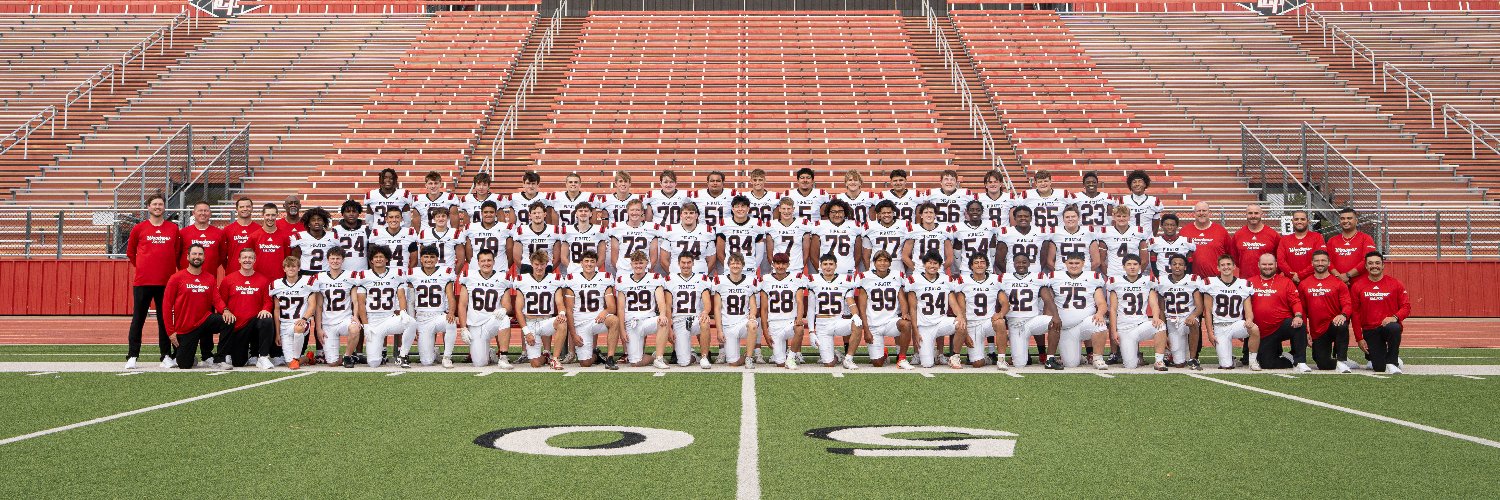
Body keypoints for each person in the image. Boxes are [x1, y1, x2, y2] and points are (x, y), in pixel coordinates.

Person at [125, 193, 181, 370]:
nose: (158, 207)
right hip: (143, 282)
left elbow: (177, 252)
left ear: (164, 208)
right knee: (138, 319)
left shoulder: (173, 229)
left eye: (160, 204)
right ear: (148, 207)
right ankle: (133, 356)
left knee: (164, 320)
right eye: (154, 204)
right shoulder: (139, 228)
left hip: (166, 282)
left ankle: (165, 355)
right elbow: (131, 252)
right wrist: (143, 267)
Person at [163, 244, 234, 369]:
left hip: (204, 321)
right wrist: (170, 332)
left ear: (204, 257)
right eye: (194, 254)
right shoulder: (176, 278)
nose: (197, 257)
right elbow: (167, 306)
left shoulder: (209, 278)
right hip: (185, 327)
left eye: (200, 254)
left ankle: (220, 358)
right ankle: (189, 355)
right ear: (188, 257)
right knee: (185, 365)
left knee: (228, 320)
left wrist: (226, 310)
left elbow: (216, 299)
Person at [1041, 252, 1108, 370]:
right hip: (1065, 327)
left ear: (1083, 263)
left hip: (1085, 322)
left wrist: (1099, 313)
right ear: (1065, 263)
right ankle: (1077, 355)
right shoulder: (1055, 277)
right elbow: (1049, 301)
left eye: (1077, 263)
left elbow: (1102, 303)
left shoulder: (1093, 278)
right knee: (1070, 364)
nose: (1074, 265)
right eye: (1070, 263)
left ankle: (1098, 358)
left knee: (1100, 324)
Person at [1349, 252, 1411, 374]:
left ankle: (1392, 362)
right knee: (1379, 367)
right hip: (1370, 330)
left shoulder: (1395, 284)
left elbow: (1406, 307)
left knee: (1394, 327)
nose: (1374, 266)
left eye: (1377, 263)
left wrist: (1395, 317)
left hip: (1387, 326)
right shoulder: (1357, 286)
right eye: (1370, 263)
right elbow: (1355, 313)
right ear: (1366, 267)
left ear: (1383, 265)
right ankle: (1383, 357)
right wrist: (1359, 338)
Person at [354, 246, 414, 369]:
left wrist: (403, 312)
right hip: (373, 321)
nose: (378, 259)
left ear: (387, 259)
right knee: (373, 363)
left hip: (389, 318)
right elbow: (361, 304)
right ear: (371, 260)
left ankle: (402, 356)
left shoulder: (395, 274)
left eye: (381, 257)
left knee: (411, 322)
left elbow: (401, 296)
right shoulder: (364, 275)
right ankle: (379, 352)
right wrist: (366, 325)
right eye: (375, 257)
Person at [1199, 255, 1261, 370]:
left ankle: (1253, 361)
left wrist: (1249, 320)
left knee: (1254, 328)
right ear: (1218, 268)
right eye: (1222, 265)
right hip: (1219, 327)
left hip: (1236, 324)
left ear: (1234, 267)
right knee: (1226, 365)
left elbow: (1248, 310)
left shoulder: (1244, 285)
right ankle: (1230, 359)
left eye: (1228, 264)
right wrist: (1210, 333)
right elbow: (1207, 311)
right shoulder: (1210, 283)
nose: (1225, 267)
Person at [1249, 253, 1308, 372]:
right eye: (1264, 264)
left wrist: (1298, 315)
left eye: (1270, 264)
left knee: (1299, 325)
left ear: (1275, 265)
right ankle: (1289, 358)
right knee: (1267, 363)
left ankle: (1300, 361)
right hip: (1262, 332)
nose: (1267, 267)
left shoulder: (1286, 282)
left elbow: (1295, 301)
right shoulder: (1249, 282)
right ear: (1258, 265)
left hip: (1281, 325)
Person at [560, 250, 618, 369]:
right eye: (586, 261)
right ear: (581, 263)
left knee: (614, 320)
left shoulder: (605, 278)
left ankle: (610, 358)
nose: (589, 264)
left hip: (598, 320)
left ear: (596, 263)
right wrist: (573, 334)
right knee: (585, 363)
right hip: (581, 323)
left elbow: (612, 307)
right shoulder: (572, 279)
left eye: (592, 261)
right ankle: (595, 355)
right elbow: (569, 310)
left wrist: (605, 312)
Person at [1108, 255, 1168, 370]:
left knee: (1160, 325)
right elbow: (1113, 309)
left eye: (1135, 264)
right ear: (1123, 267)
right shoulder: (1116, 282)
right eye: (1129, 264)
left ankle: (1159, 361)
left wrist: (1155, 316)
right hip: (1124, 328)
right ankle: (1136, 357)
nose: (1132, 267)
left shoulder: (1147, 281)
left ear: (1140, 266)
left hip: (1141, 325)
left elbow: (1154, 304)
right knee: (1130, 365)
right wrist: (1114, 331)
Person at [906, 252, 965, 368]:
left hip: (941, 323)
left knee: (961, 324)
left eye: (935, 263)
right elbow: (912, 309)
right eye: (930, 263)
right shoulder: (914, 280)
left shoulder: (946, 279)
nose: (932, 266)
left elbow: (952, 301)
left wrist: (960, 315)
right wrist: (915, 330)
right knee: (927, 364)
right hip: (924, 326)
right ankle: (930, 352)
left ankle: (954, 357)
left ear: (939, 266)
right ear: (924, 264)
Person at [456, 248, 513, 368]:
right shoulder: (469, 276)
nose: (486, 263)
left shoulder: (503, 278)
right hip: (475, 324)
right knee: (479, 363)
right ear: (478, 263)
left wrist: (504, 309)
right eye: (483, 261)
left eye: (489, 260)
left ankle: (503, 357)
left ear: (493, 262)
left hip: (492, 321)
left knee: (505, 318)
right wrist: (463, 328)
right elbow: (462, 304)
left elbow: (507, 304)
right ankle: (489, 353)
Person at [219, 248, 274, 368]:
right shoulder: (228, 280)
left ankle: (262, 356)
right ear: (239, 260)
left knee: (267, 320)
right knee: (238, 363)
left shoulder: (263, 280)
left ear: (254, 260)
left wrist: (265, 309)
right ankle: (247, 353)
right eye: (244, 257)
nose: (247, 260)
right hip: (237, 326)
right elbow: (221, 301)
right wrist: (225, 310)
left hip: (254, 323)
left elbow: (268, 301)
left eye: (250, 258)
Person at [857, 251, 913, 368]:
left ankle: (902, 358)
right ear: (874, 263)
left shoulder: (897, 276)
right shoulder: (865, 277)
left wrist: (904, 313)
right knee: (877, 363)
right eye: (879, 260)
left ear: (890, 263)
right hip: (874, 325)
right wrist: (866, 329)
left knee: (906, 324)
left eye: (885, 261)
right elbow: (862, 308)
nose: (882, 263)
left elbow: (902, 298)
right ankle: (884, 353)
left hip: (890, 322)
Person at [1300, 251, 1353, 372]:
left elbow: (1348, 304)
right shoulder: (1304, 284)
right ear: (1312, 263)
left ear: (1329, 263)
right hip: (1318, 331)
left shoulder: (1339, 284)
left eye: (1323, 260)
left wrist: (1343, 315)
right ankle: (1335, 361)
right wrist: (1306, 332)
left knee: (1341, 325)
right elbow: (1301, 310)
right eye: (1317, 260)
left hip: (1333, 325)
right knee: (1323, 364)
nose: (1320, 263)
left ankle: (1341, 361)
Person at [614, 251, 670, 367]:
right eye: (635, 263)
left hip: (648, 320)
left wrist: (663, 314)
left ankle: (659, 358)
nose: (638, 266)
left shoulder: (654, 278)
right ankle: (653, 357)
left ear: (647, 264)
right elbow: (620, 309)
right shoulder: (623, 280)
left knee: (663, 322)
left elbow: (661, 301)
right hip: (632, 323)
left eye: (641, 263)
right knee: (635, 363)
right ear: (631, 264)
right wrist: (622, 330)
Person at [999, 253, 1054, 368]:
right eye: (1018, 262)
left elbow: (1048, 299)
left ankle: (1050, 359)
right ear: (1013, 264)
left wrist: (1055, 316)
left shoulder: (1038, 277)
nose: (1021, 265)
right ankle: (1016, 351)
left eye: (1024, 262)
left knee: (1054, 322)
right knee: (1020, 364)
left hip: (1032, 320)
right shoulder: (1004, 278)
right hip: (1015, 323)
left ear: (1029, 263)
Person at [515, 251, 567, 369]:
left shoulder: (554, 279)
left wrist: (562, 314)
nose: (539, 267)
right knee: (535, 363)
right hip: (530, 323)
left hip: (546, 321)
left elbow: (560, 303)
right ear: (532, 264)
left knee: (562, 322)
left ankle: (555, 358)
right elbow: (518, 310)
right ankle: (546, 356)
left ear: (547, 264)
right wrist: (526, 332)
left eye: (542, 264)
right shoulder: (522, 280)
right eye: (536, 264)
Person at [806, 253, 860, 369]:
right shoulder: (813, 280)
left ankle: (848, 359)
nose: (828, 267)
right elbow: (811, 308)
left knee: (857, 324)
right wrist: (811, 331)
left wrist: (855, 315)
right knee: (829, 364)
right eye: (825, 264)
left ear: (836, 266)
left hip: (837, 322)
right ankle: (837, 356)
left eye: (831, 264)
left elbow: (851, 301)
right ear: (820, 266)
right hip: (822, 325)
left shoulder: (845, 280)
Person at [408, 245, 458, 368]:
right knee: (426, 362)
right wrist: (411, 322)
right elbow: (410, 301)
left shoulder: (445, 273)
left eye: (432, 257)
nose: (429, 260)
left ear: (437, 259)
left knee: (451, 322)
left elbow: (450, 296)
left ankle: (447, 357)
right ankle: (433, 352)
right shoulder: (413, 274)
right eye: (426, 257)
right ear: (421, 259)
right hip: (421, 318)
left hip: (438, 315)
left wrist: (451, 312)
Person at [662, 253, 714, 368]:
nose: (686, 265)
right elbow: (668, 305)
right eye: (683, 263)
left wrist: (705, 312)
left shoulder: (701, 279)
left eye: (689, 262)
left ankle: (705, 357)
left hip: (695, 319)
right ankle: (694, 356)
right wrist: (670, 328)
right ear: (678, 263)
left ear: (693, 263)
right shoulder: (671, 280)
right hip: (679, 320)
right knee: (683, 362)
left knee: (705, 321)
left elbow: (707, 303)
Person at [956, 254, 1006, 368]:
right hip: (973, 325)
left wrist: (1000, 314)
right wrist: (966, 334)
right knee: (977, 364)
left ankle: (1001, 359)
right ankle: (986, 358)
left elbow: (1005, 303)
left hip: (989, 322)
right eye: (976, 262)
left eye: (982, 262)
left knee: (1000, 322)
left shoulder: (995, 280)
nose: (979, 265)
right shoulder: (964, 281)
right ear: (971, 266)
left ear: (987, 265)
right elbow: (962, 311)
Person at [760, 253, 809, 369]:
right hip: (774, 325)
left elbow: (800, 301)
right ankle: (784, 357)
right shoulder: (766, 280)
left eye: (783, 263)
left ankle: (791, 357)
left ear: (788, 265)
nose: (780, 266)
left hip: (789, 322)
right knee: (779, 363)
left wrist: (799, 319)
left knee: (799, 328)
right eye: (777, 263)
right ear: (773, 265)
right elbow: (764, 309)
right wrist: (765, 332)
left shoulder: (796, 279)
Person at [315, 247, 362, 367]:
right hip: (328, 323)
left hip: (344, 320)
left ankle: (347, 356)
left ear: (342, 260)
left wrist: (355, 316)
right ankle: (345, 357)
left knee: (355, 328)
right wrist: (318, 328)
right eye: (332, 258)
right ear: (328, 260)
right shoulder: (320, 278)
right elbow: (319, 306)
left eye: (338, 258)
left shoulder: (350, 276)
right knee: (332, 363)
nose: (335, 261)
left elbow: (355, 301)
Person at [269, 256, 317, 369]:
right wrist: (277, 332)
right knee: (288, 363)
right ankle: (307, 358)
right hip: (285, 325)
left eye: (294, 266)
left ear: (299, 268)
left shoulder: (308, 282)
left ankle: (296, 359)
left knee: (298, 328)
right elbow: (276, 310)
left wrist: (304, 319)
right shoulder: (276, 285)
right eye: (288, 266)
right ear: (284, 269)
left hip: (300, 323)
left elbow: (312, 304)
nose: (291, 269)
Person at [714, 253, 761, 367]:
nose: (735, 265)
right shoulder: (721, 281)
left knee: (753, 325)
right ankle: (745, 356)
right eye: (733, 263)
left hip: (742, 323)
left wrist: (753, 315)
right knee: (733, 363)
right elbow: (717, 308)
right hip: (728, 326)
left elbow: (753, 305)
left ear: (743, 265)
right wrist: (719, 330)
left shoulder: (749, 281)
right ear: (728, 265)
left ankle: (749, 358)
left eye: (738, 263)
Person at [1156, 254, 1202, 368]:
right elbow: (1161, 309)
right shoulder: (1162, 281)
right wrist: (1164, 330)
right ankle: (1178, 354)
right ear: (1170, 266)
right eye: (1174, 264)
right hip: (1171, 322)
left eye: (1181, 264)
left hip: (1187, 318)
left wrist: (1193, 316)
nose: (1177, 267)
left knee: (1194, 323)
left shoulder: (1193, 280)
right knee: (1179, 364)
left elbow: (1200, 306)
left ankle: (1193, 358)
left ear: (1185, 267)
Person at [657, 202, 717, 275]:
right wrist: (673, 275)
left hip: (699, 275)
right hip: (676, 274)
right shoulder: (671, 231)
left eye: (691, 213)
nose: (688, 216)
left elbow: (712, 260)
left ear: (696, 215)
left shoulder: (707, 231)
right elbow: (663, 260)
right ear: (681, 215)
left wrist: (704, 275)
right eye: (685, 213)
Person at [1179, 201, 1232, 278]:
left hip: (1216, 280)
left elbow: (1229, 255)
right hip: (1191, 280)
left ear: (1209, 212)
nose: (1201, 213)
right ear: (1194, 213)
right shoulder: (1184, 231)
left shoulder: (1221, 231)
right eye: (1198, 211)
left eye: (1204, 211)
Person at [810, 199, 862, 275]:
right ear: (828, 213)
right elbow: (814, 255)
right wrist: (821, 270)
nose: (837, 215)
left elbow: (858, 254)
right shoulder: (820, 226)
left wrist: (851, 267)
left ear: (845, 213)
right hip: (825, 273)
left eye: (840, 211)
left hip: (847, 272)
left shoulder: (854, 226)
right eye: (833, 212)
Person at [607, 199, 659, 275]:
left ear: (642, 212)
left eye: (637, 210)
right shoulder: (617, 228)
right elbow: (614, 257)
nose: (634, 213)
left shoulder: (651, 228)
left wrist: (645, 269)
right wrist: (620, 268)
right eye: (632, 210)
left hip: (643, 271)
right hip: (623, 271)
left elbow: (653, 258)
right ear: (627, 211)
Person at [1042, 205, 1099, 275]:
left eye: (1073, 216)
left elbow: (1097, 261)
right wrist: (1059, 272)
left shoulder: (1089, 232)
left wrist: (1084, 272)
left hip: (1084, 273)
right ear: (1063, 219)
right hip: (1062, 272)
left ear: (1079, 218)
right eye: (1067, 217)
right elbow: (1049, 261)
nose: (1070, 219)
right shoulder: (1055, 233)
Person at [716, 195, 766, 274]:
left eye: (743, 206)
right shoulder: (724, 224)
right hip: (730, 269)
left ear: (748, 208)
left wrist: (753, 267)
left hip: (749, 268)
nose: (740, 209)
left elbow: (760, 253)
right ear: (732, 209)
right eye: (737, 206)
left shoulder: (756, 224)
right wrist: (728, 266)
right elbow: (719, 252)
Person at [1326, 208, 1378, 284]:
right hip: (1337, 283)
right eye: (1342, 218)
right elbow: (1328, 262)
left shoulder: (1366, 238)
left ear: (1356, 221)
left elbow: (1367, 260)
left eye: (1349, 218)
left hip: (1361, 284)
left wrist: (1348, 275)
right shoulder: (1332, 240)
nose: (1345, 221)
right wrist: (1339, 277)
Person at [1099, 205, 1150, 279]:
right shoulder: (1105, 232)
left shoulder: (1138, 232)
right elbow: (1102, 261)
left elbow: (1145, 260)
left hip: (1133, 275)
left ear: (1129, 217)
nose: (1121, 219)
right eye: (1118, 216)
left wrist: (1136, 273)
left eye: (1124, 216)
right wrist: (1108, 274)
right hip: (1114, 274)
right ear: (1113, 217)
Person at [459, 200, 510, 275]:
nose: (488, 214)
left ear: (496, 213)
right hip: (476, 269)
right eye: (485, 212)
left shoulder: (505, 227)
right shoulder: (471, 227)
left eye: (491, 212)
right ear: (481, 213)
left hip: (499, 268)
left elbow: (509, 251)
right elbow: (468, 253)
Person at [764, 198, 811, 275]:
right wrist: (776, 267)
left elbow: (806, 252)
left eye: (789, 208)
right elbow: (769, 254)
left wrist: (801, 265)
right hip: (778, 268)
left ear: (793, 209)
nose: (786, 211)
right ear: (779, 209)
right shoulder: (772, 225)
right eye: (783, 208)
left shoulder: (802, 224)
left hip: (796, 268)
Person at [1231, 204, 1279, 279]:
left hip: (1268, 281)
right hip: (1245, 281)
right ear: (1246, 214)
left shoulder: (1273, 234)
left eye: (1256, 213)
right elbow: (1234, 258)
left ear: (1261, 214)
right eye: (1250, 213)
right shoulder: (1238, 235)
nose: (1253, 216)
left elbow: (1279, 258)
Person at [179, 201, 226, 276]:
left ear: (210, 213)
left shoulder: (219, 233)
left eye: (206, 211)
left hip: (209, 278)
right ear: (193, 213)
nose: (203, 213)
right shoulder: (183, 233)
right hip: (186, 278)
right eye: (200, 210)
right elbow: (177, 255)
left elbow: (222, 256)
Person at [902, 202, 952, 274]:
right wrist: (916, 269)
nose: (929, 215)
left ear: (935, 215)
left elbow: (950, 258)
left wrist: (939, 269)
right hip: (919, 271)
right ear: (921, 215)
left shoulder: (944, 230)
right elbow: (905, 256)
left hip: (938, 272)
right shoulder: (913, 230)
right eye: (926, 212)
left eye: (931, 212)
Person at [559, 202, 607, 275]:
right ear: (576, 214)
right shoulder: (568, 230)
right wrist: (571, 268)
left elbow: (602, 257)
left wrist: (592, 269)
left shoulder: (599, 230)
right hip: (574, 272)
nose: (583, 213)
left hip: (592, 272)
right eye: (580, 211)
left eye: (586, 211)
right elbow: (563, 257)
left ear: (591, 214)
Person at [953, 200, 999, 276]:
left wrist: (989, 265)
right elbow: (957, 254)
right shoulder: (959, 228)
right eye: (972, 210)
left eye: (978, 210)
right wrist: (960, 268)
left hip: (985, 268)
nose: (975, 212)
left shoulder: (990, 225)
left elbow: (992, 251)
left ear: (982, 212)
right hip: (966, 268)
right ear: (967, 212)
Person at [1277, 210, 1325, 284]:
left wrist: (1300, 275)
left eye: (1302, 219)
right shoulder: (1284, 240)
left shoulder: (1317, 237)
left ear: (1308, 221)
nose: (1299, 221)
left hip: (1312, 281)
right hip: (1291, 281)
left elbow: (1320, 260)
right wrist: (1292, 275)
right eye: (1296, 219)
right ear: (1292, 221)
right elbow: (1281, 261)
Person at [288, 207, 339, 276]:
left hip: (326, 273)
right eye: (313, 220)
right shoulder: (299, 237)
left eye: (319, 219)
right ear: (308, 223)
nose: (316, 222)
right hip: (305, 273)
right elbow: (295, 260)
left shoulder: (333, 237)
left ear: (324, 222)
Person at [511, 201, 559, 273]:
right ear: (530, 216)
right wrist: (525, 269)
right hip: (527, 267)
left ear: (545, 214)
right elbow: (516, 257)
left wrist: (549, 268)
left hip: (546, 267)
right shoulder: (521, 230)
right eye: (534, 213)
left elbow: (557, 257)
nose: (537, 215)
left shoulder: (554, 230)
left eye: (539, 213)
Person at [996, 205, 1045, 275]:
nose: (1023, 218)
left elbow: (1044, 259)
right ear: (1015, 218)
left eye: (1026, 216)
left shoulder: (1040, 233)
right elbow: (999, 260)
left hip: (1034, 274)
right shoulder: (1006, 233)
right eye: (1020, 216)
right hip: (1012, 274)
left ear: (1031, 218)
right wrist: (1010, 273)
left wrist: (1036, 270)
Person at [862, 200, 907, 274]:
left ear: (893, 213)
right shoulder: (870, 227)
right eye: (883, 213)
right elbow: (866, 256)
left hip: (897, 267)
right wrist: (869, 271)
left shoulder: (903, 225)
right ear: (879, 214)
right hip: (876, 267)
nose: (886, 215)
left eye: (889, 212)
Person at [415, 202, 463, 270]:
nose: (441, 219)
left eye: (443, 216)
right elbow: (422, 258)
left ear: (448, 218)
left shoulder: (455, 233)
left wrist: (454, 274)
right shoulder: (425, 233)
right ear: (434, 219)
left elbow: (461, 260)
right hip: (430, 271)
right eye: (438, 216)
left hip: (448, 271)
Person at [369, 206, 418, 271]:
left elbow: (414, 261)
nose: (394, 220)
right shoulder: (377, 233)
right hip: (383, 275)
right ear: (386, 219)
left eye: (397, 217)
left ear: (401, 219)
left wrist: (407, 274)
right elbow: (371, 258)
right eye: (391, 217)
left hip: (403, 273)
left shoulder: (409, 233)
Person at [1147, 214, 1195, 278]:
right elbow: (1153, 265)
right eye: (1166, 225)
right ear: (1162, 226)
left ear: (1177, 226)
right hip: (1162, 279)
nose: (1169, 227)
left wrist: (1184, 278)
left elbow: (1189, 265)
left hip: (1181, 279)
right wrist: (1158, 278)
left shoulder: (1187, 242)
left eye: (1172, 225)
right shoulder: (1154, 242)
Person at [1119, 170, 1163, 235]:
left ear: (1145, 184)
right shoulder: (1123, 200)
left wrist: (1151, 238)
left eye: (1140, 181)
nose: (1137, 184)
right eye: (1134, 182)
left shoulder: (1154, 201)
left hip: (1147, 238)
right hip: (1129, 238)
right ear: (1130, 185)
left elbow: (1155, 225)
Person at [332, 200, 370, 272]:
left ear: (359, 213)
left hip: (363, 272)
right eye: (348, 211)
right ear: (342, 214)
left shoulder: (366, 229)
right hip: (342, 272)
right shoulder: (335, 230)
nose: (351, 214)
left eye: (354, 211)